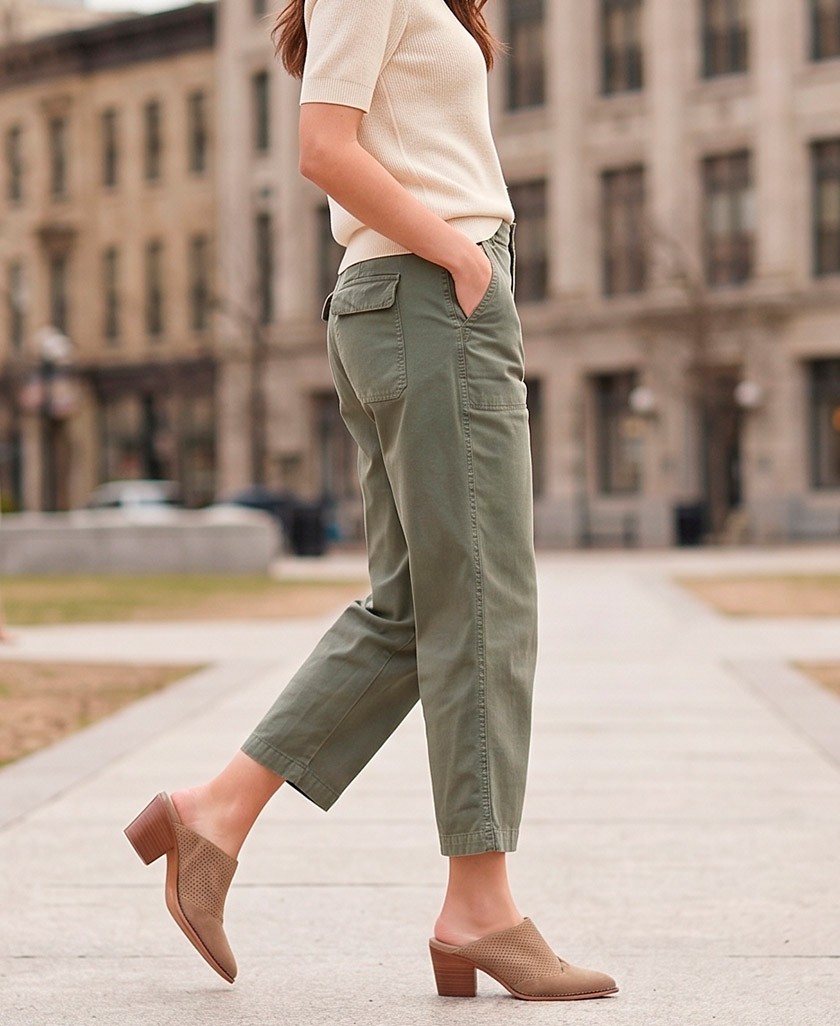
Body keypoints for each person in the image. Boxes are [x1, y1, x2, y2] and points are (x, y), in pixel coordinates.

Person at [124, 0, 618, 1002]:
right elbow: (322, 144)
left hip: (421, 296)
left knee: (413, 606)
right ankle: (480, 905)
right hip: (429, 295)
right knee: (484, 597)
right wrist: (461, 255)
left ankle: (212, 814)